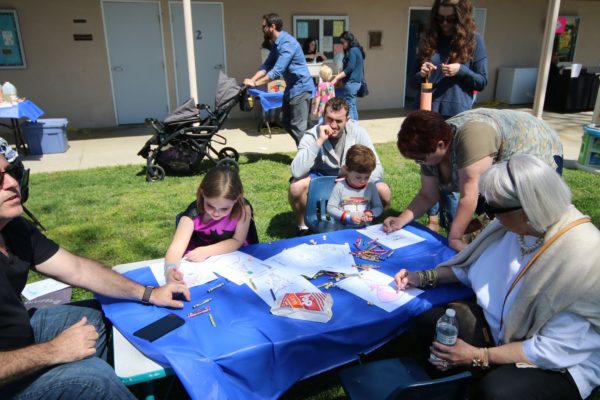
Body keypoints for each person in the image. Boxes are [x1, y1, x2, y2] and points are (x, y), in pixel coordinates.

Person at [394, 154, 600, 400]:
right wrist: (422, 277)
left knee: (498, 391)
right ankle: (456, 385)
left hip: (562, 361)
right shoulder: (515, 226)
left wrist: (477, 356)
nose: (487, 214)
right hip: (501, 332)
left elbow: (553, 349)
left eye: (491, 207)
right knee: (430, 320)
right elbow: (474, 268)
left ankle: (478, 379)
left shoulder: (586, 257)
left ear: (526, 208)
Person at [0, 154, 191, 399]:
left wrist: (150, 293)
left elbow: (78, 269)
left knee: (98, 315)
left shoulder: (14, 228)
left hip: (18, 336)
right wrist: (54, 351)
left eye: (12, 171)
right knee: (94, 379)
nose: (12, 182)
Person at [383, 108, 563, 252]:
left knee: (525, 219)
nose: (419, 163)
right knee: (485, 226)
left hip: (534, 145)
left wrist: (454, 238)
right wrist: (401, 220)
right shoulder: (429, 149)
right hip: (497, 160)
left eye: (421, 158)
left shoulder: (472, 136)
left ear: (440, 145)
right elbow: (427, 195)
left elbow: (470, 194)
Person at [409, 0, 488, 232]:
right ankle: (433, 217)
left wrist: (460, 70)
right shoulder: (428, 39)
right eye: (440, 19)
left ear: (461, 18)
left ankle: (455, 227)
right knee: (429, 166)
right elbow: (412, 81)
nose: (445, 24)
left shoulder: (474, 41)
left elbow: (482, 81)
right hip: (429, 114)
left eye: (450, 19)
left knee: (452, 173)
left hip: (458, 116)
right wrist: (420, 72)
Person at [289, 97, 391, 235]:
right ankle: (304, 227)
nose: (333, 125)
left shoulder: (358, 132)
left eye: (339, 121)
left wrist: (350, 176)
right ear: (323, 116)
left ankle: (370, 223)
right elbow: (296, 171)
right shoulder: (312, 134)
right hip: (321, 177)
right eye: (329, 119)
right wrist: (319, 141)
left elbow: (377, 167)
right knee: (296, 187)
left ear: (347, 119)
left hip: (352, 177)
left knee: (384, 191)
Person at [164, 166, 254, 284]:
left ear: (237, 199)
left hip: (236, 264)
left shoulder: (243, 209)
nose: (216, 213)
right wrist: (170, 269)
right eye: (210, 206)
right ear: (202, 194)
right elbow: (176, 248)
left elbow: (237, 240)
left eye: (225, 208)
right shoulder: (192, 214)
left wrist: (207, 251)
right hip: (198, 266)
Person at [244, 13, 314, 146]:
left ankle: (308, 157)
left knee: (298, 126)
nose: (262, 28)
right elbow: (267, 65)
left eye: (264, 26)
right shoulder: (276, 44)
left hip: (301, 87)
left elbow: (277, 71)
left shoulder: (287, 43)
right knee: (285, 122)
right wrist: (251, 80)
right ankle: (307, 148)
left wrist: (256, 84)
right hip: (291, 88)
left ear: (272, 27)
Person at [327, 144, 383, 226]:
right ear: (347, 170)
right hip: (342, 229)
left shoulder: (371, 186)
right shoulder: (340, 186)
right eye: (358, 177)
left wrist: (370, 213)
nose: (363, 181)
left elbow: (378, 207)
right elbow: (330, 208)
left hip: (365, 229)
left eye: (367, 177)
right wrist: (348, 216)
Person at [331, 31, 365, 121]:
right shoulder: (357, 50)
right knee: (352, 106)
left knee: (349, 107)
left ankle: (352, 127)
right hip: (355, 83)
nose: (342, 45)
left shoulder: (352, 50)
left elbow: (349, 68)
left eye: (343, 42)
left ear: (349, 40)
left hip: (351, 83)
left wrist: (336, 78)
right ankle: (355, 127)